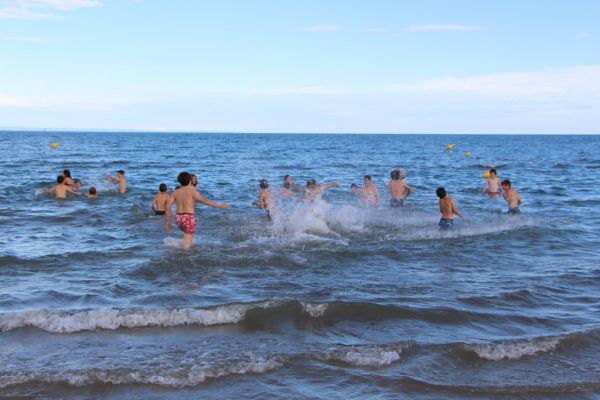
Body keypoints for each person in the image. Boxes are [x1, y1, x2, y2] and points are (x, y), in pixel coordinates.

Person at [164, 171, 229, 249]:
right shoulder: (192, 191)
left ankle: (186, 252)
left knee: (188, 238)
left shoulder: (175, 192)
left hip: (178, 219)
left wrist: (167, 222)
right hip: (188, 218)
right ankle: (183, 257)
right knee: (186, 245)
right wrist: (220, 206)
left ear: (179, 181)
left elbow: (167, 206)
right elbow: (205, 201)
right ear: (190, 180)